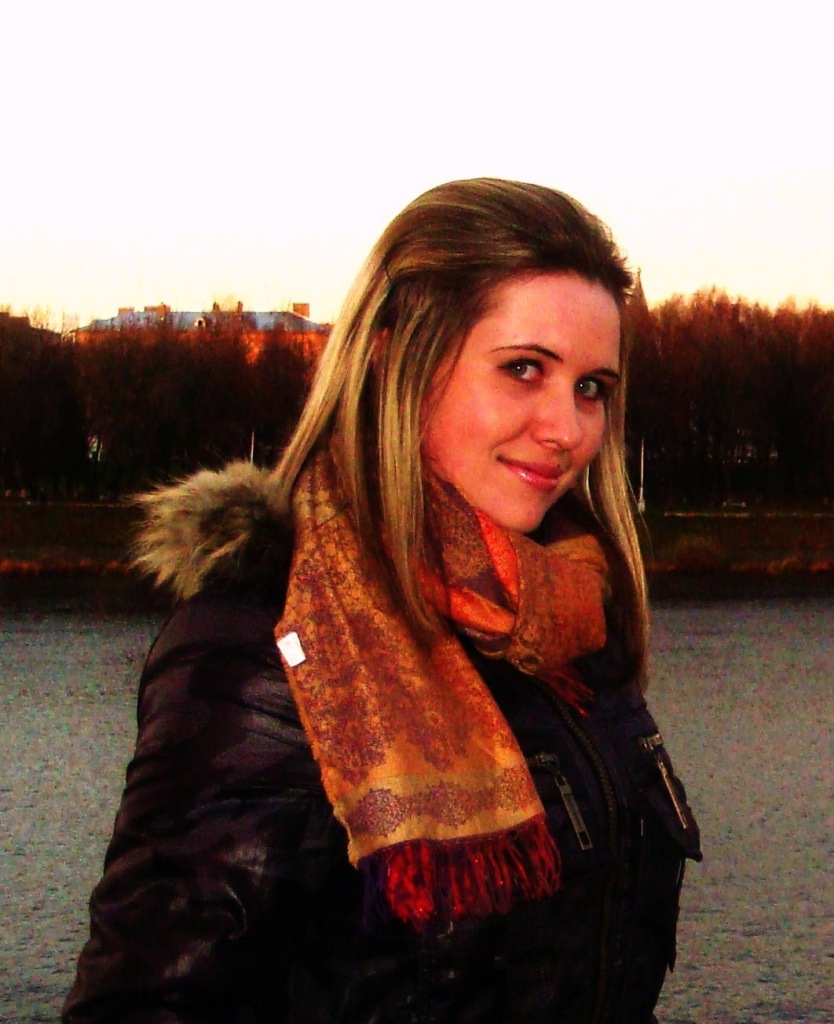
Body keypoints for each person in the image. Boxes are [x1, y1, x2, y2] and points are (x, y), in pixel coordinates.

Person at [64, 178, 701, 1023]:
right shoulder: (266, 646)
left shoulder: (572, 617)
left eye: (593, 387)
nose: (568, 429)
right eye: (524, 369)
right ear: (396, 358)